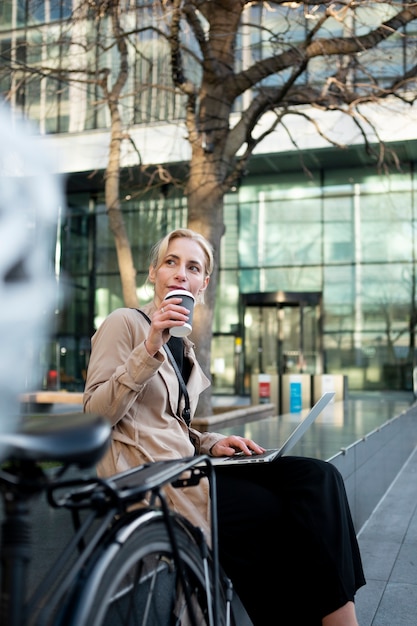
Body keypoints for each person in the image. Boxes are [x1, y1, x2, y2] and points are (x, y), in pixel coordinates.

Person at [83, 228, 365, 626]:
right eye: (171, 262)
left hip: (188, 467)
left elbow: (169, 424)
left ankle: (343, 619)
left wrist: (212, 442)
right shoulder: (125, 324)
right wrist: (149, 348)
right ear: (153, 273)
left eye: (193, 267)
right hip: (150, 478)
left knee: (319, 477)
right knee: (271, 512)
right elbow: (95, 416)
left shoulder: (186, 348)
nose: (181, 274)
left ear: (203, 284)